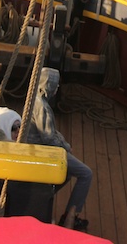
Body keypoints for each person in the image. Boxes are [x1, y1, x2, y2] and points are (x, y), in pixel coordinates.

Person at [21, 67, 93, 232]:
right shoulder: (42, 107)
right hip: (44, 150)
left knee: (66, 172)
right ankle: (70, 217)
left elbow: (50, 132)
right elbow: (48, 138)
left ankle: (44, 196)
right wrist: (66, 147)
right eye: (55, 84)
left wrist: (63, 143)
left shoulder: (35, 100)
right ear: (48, 86)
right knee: (85, 173)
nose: (57, 88)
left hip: (39, 146)